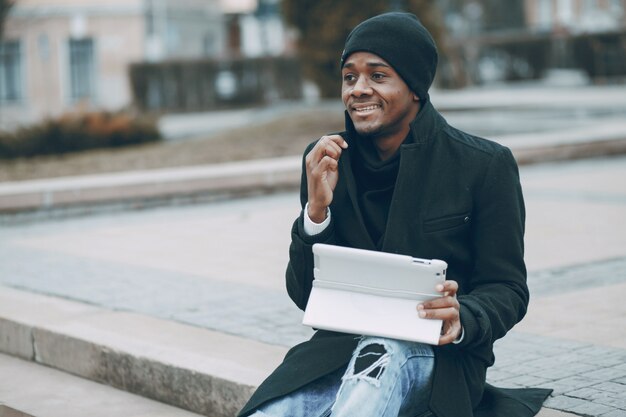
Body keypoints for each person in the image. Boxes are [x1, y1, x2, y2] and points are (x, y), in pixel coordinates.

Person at [238, 12, 551, 417]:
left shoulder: (483, 164)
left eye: (378, 76)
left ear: (415, 86)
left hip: (435, 356)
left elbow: (508, 288)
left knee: (372, 377)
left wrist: (464, 318)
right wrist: (316, 212)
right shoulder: (326, 160)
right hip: (336, 352)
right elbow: (305, 296)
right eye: (349, 77)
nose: (358, 89)